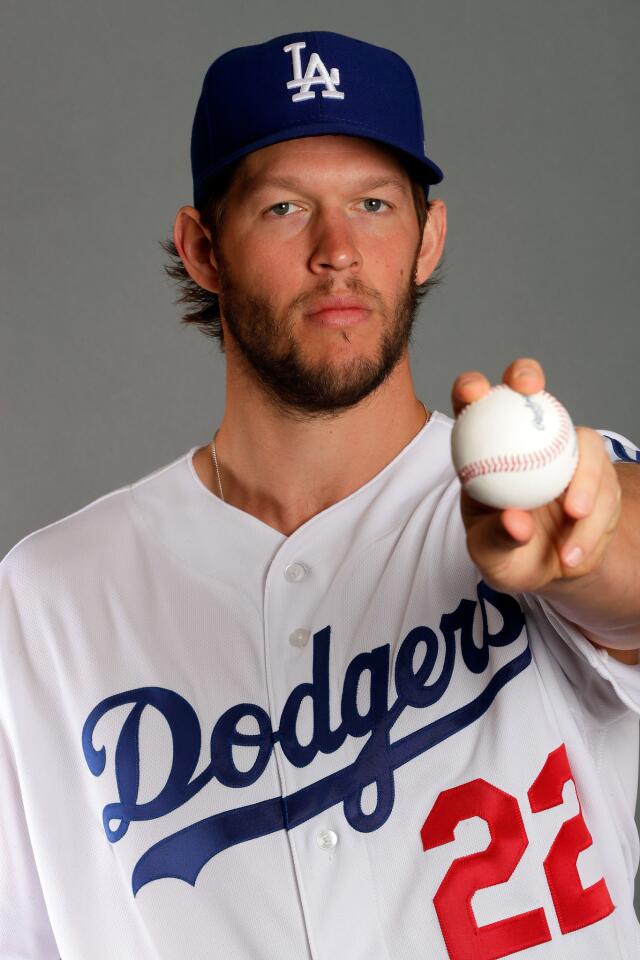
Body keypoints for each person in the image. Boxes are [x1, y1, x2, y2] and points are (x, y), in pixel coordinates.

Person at [1, 29, 639, 960]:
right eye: (286, 208)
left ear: (429, 238)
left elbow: (623, 559)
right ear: (202, 247)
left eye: (375, 204)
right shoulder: (47, 601)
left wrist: (593, 542)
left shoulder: (539, 505)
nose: (337, 251)